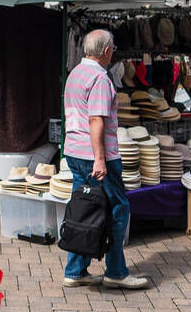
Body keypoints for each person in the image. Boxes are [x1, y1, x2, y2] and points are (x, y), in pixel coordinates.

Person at [60, 29, 150, 290]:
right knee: (117, 209)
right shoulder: (100, 78)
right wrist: (100, 158)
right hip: (97, 156)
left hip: (75, 152)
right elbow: (96, 119)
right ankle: (116, 272)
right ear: (107, 50)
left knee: (83, 209)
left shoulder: (75, 73)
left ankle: (75, 270)